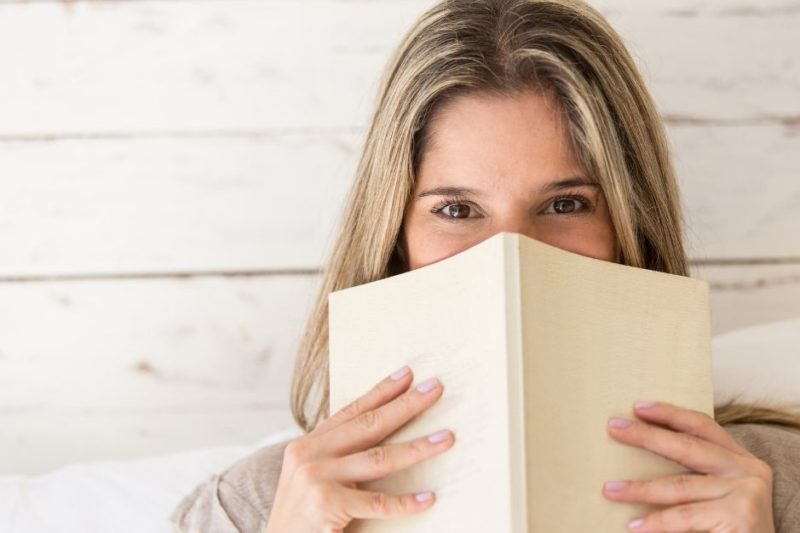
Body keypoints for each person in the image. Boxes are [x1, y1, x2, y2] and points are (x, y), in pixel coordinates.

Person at [171, 0, 800, 531]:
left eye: (564, 204)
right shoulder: (250, 509)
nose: (511, 255)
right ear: (395, 237)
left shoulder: (770, 489)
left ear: (630, 224)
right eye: (456, 210)